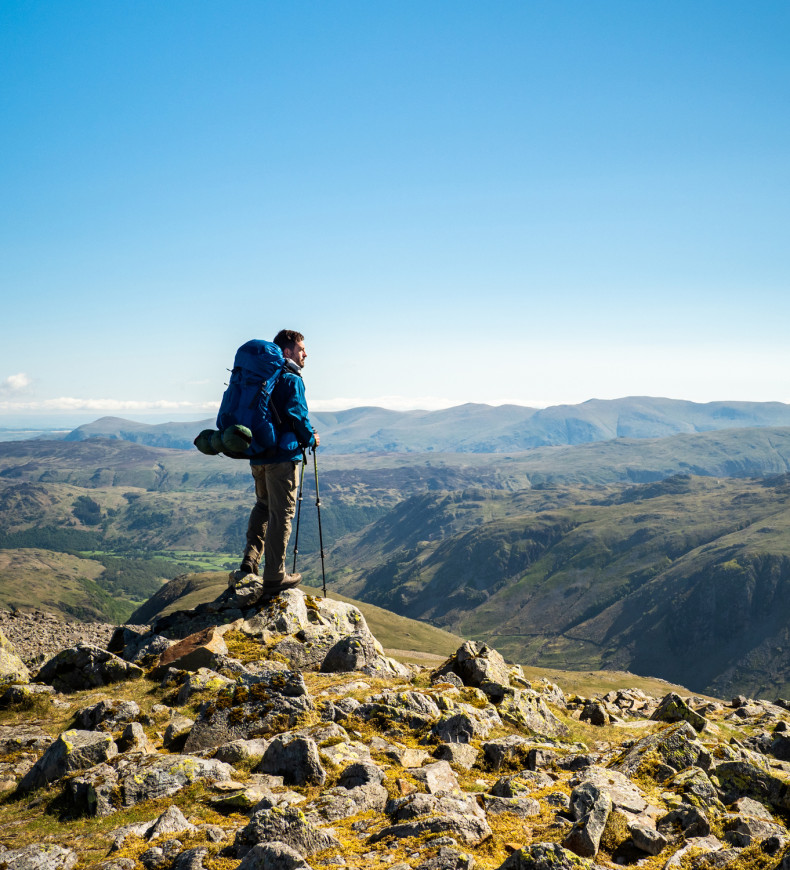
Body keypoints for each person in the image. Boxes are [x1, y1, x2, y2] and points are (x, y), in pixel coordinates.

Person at [231, 329, 319, 591]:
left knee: (262, 506)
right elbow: (297, 416)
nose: (306, 353)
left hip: (257, 453)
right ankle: (274, 576)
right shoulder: (291, 379)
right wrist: (311, 438)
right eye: (302, 348)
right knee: (282, 513)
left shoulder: (264, 377)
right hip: (282, 458)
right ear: (288, 351)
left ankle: (250, 559)